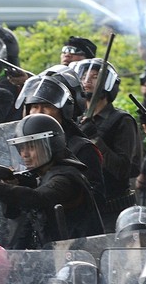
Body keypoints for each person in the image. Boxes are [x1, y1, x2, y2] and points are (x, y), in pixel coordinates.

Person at [0, 113, 103, 248]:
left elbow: (37, 198)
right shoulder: (41, 177)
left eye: (31, 146)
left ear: (51, 144)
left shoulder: (66, 178)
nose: (24, 154)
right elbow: (17, 216)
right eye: (21, 148)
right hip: (56, 255)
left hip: (81, 257)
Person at [14, 74, 105, 208]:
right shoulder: (24, 147)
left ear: (62, 111)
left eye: (46, 106)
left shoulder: (82, 147)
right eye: (34, 106)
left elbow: (95, 197)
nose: (39, 112)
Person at [74, 58, 141, 231]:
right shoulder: (76, 121)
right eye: (84, 76)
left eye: (95, 76)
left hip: (116, 212)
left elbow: (122, 169)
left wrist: (95, 138)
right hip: (86, 210)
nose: (87, 80)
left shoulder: (122, 121)